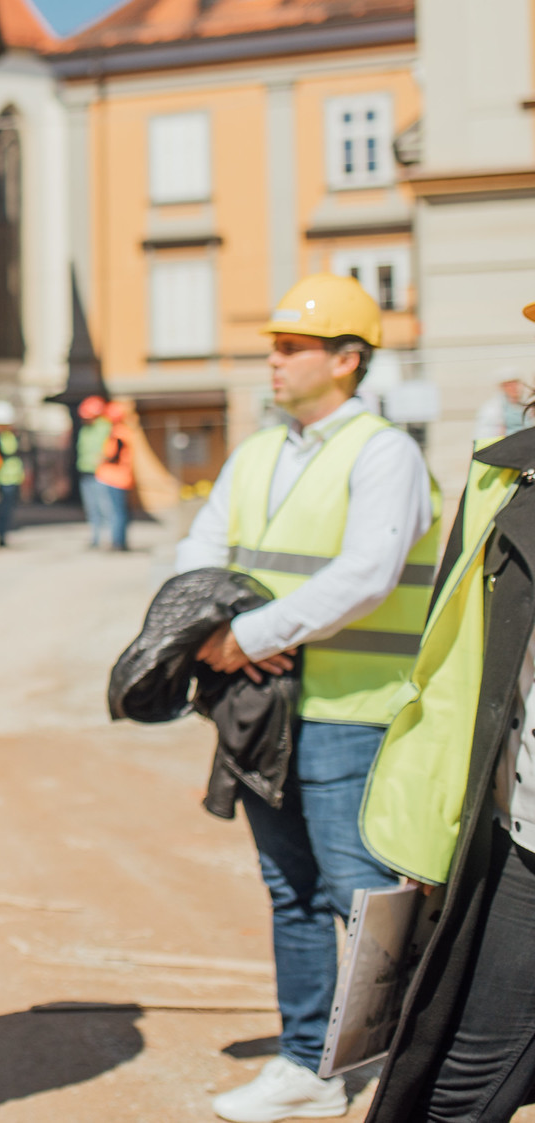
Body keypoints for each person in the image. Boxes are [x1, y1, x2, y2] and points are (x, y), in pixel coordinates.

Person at [176, 273, 438, 1123]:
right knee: (290, 889)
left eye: (292, 348)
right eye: (274, 347)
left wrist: (243, 637)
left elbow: (367, 573)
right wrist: (204, 631)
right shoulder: (257, 453)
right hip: (266, 714)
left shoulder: (384, 452)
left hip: (350, 714)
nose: (274, 361)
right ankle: (309, 1065)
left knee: (358, 895)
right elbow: (199, 551)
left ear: (348, 359)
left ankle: (404, 1062)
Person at [361, 295, 535, 1123]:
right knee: (449, 1073)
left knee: (461, 1091)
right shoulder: (511, 470)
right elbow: (464, 675)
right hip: (508, 829)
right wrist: (438, 829)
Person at [96, 402, 136, 553]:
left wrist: (102, 459)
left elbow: (113, 455)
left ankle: (118, 542)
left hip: (115, 479)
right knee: (120, 512)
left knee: (117, 513)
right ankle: (119, 541)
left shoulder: (118, 433)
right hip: (119, 478)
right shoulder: (124, 431)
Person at [75, 396, 112, 547]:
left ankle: (109, 538)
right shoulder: (85, 429)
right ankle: (95, 538)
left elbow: (109, 450)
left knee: (104, 507)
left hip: (101, 474)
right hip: (85, 472)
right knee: (91, 508)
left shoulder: (105, 426)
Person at [0, 399, 24, 548]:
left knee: (8, 509)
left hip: (12, 477)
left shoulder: (13, 436)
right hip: (1, 477)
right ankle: (0, 535)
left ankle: (4, 534)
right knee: (1, 509)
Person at [473, 368, 530, 446]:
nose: (513, 388)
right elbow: (485, 434)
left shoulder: (528, 403)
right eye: (508, 385)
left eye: (515, 384)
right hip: (508, 448)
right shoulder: (492, 409)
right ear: (502, 388)